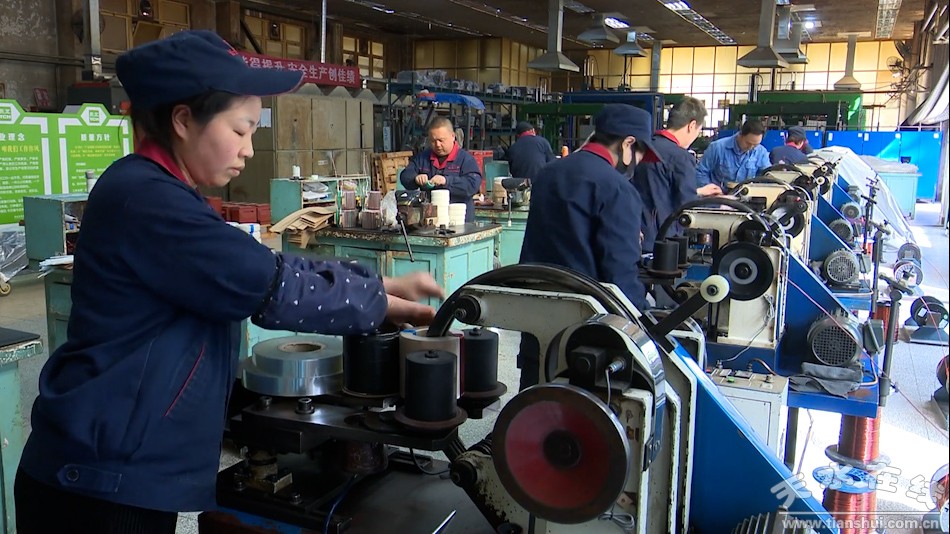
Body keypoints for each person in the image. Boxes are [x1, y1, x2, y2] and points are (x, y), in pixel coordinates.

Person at [14, 30, 443, 534]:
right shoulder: (148, 201)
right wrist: (379, 301)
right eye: (240, 130)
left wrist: (378, 282)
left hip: (114, 467)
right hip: (96, 486)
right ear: (182, 120)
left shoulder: (162, 192)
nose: (249, 149)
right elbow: (272, 286)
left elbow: (257, 263)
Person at [516, 103, 661, 390]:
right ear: (628, 144)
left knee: (533, 398)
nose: (637, 163)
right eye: (639, 154)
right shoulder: (618, 188)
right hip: (586, 327)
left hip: (535, 311)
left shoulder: (548, 174)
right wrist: (642, 319)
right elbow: (619, 273)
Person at [632, 96, 707, 252]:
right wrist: (718, 204)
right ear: (692, 125)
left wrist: (699, 192)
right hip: (661, 241)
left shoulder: (642, 147)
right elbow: (687, 205)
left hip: (632, 234)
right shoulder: (681, 157)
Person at [399, 116, 482, 222]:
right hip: (430, 220)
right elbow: (405, 176)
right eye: (433, 141)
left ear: (453, 136)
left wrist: (446, 181)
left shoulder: (466, 160)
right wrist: (415, 178)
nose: (437, 145)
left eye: (441, 140)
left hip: (460, 220)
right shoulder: (423, 158)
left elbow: (473, 185)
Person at [695, 119, 770, 194]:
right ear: (740, 134)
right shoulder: (717, 148)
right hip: (717, 197)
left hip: (747, 197)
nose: (751, 147)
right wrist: (710, 191)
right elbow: (701, 172)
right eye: (748, 143)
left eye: (755, 145)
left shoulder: (761, 152)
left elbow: (767, 175)